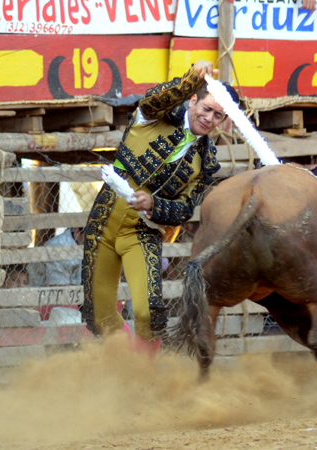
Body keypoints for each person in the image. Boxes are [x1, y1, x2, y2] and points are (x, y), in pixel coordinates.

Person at [81, 60, 239, 355]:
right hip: (104, 218)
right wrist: (192, 78)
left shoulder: (204, 161)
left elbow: (184, 209)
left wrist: (154, 203)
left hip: (141, 231)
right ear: (193, 99)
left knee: (148, 314)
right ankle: (125, 368)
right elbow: (156, 99)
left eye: (218, 115)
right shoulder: (153, 116)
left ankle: (142, 381)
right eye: (206, 108)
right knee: (99, 314)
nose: (209, 119)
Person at [27, 227, 85, 321]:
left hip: (75, 296)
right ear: (77, 231)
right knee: (70, 312)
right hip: (44, 300)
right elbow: (59, 288)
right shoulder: (59, 246)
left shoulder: (89, 245)